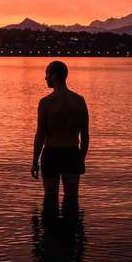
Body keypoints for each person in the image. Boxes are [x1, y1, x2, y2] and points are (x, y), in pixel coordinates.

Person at [31, 61, 89, 216]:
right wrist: (81, 159)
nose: (45, 78)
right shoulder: (79, 101)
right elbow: (85, 135)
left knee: (50, 201)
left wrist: (34, 161)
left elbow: (40, 135)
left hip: (52, 154)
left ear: (54, 76)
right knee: (71, 201)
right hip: (72, 154)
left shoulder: (46, 103)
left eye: (47, 74)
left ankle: (49, 237)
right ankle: (72, 236)